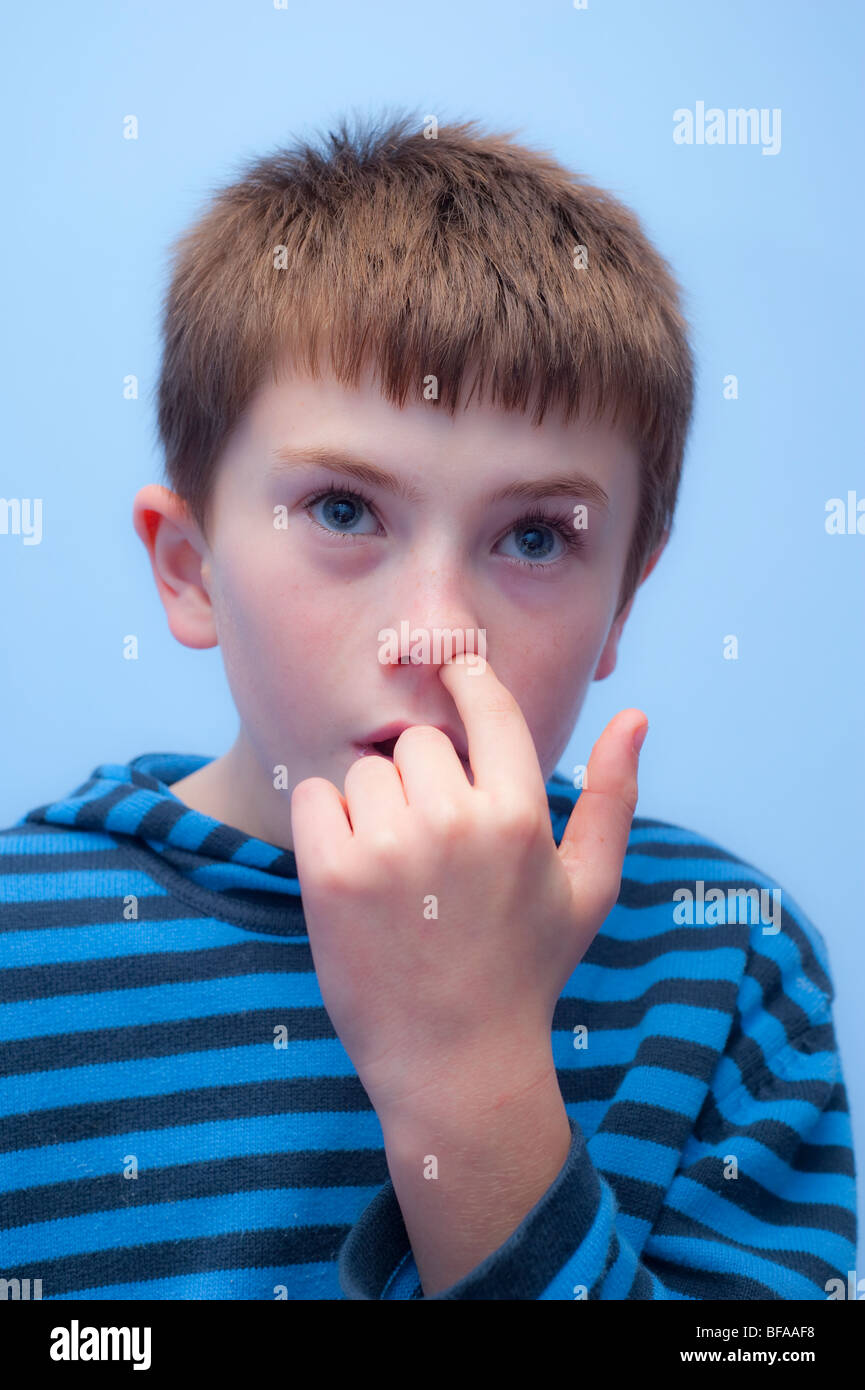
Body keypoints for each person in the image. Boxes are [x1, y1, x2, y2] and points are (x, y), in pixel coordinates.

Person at [0, 112, 855, 1300]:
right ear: (189, 567)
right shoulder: (22, 945)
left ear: (621, 609)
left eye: (535, 537)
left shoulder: (725, 962)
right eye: (344, 511)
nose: (436, 630)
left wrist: (468, 1077)